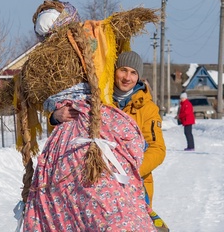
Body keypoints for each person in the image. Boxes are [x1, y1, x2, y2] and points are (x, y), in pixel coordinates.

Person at [51, 51, 166, 207]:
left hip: (134, 184)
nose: (127, 77)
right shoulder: (96, 99)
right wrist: (56, 116)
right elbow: (69, 129)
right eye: (123, 70)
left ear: (138, 77)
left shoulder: (147, 108)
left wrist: (130, 171)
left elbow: (157, 149)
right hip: (95, 187)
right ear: (114, 71)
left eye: (133, 73)